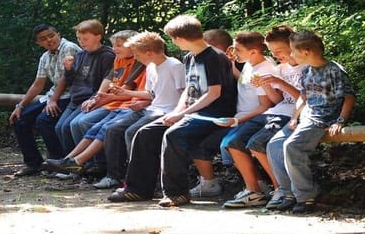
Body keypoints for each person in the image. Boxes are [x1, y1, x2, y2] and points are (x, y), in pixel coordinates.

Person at [265, 30, 355, 213]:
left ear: (306, 52)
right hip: (306, 116)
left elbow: (349, 97)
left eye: (293, 51)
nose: (291, 55)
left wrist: (340, 121)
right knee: (274, 145)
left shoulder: (334, 70)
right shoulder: (306, 70)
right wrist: (294, 116)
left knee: (292, 146)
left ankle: (306, 195)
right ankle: (288, 192)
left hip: (323, 118)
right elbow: (303, 97)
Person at [156, 15, 237, 207]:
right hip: (195, 111)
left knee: (173, 135)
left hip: (215, 113)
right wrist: (177, 110)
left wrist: (183, 115)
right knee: (152, 132)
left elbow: (214, 93)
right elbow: (189, 90)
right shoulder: (188, 57)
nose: (173, 42)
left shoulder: (215, 57)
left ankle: (177, 193)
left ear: (180, 38)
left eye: (173, 38)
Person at [93, 31, 186, 190]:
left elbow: (184, 93)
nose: (135, 57)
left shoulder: (175, 66)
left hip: (166, 111)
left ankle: (140, 180)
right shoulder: (150, 67)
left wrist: (177, 113)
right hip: (151, 109)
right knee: (112, 129)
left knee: (132, 132)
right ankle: (114, 176)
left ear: (149, 52)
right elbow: (151, 94)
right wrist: (126, 93)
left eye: (137, 54)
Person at [239, 25, 305, 209]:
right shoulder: (282, 68)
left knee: (260, 143)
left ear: (293, 45)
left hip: (295, 114)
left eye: (279, 51)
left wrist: (278, 82)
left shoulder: (306, 67)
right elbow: (278, 99)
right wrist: (266, 85)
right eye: (272, 51)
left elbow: (304, 97)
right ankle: (280, 189)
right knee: (249, 142)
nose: (275, 56)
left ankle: (284, 189)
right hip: (278, 112)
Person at [8, 24, 80, 177]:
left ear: (58, 34)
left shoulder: (69, 48)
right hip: (52, 96)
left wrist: (53, 100)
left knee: (45, 120)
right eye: (43, 39)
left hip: (71, 95)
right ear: (38, 43)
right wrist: (21, 105)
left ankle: (58, 162)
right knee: (19, 119)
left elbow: (65, 78)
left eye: (51, 36)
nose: (49, 40)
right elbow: (38, 84)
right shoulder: (45, 57)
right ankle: (34, 164)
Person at [216, 31, 278, 207]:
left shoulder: (264, 69)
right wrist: (233, 66)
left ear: (253, 52)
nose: (234, 52)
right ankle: (257, 187)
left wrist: (237, 121)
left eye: (238, 49)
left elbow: (265, 106)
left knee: (233, 142)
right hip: (242, 117)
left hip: (256, 117)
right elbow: (245, 81)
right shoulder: (251, 64)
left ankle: (257, 191)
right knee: (227, 143)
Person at [40, 19, 115, 159]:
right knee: (59, 127)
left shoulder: (107, 55)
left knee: (72, 125)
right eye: (79, 38)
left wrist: (94, 99)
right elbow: (70, 81)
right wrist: (68, 70)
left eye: (85, 39)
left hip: (90, 98)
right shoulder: (80, 55)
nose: (81, 42)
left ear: (98, 36)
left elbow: (107, 82)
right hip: (75, 99)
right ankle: (68, 163)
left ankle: (84, 163)